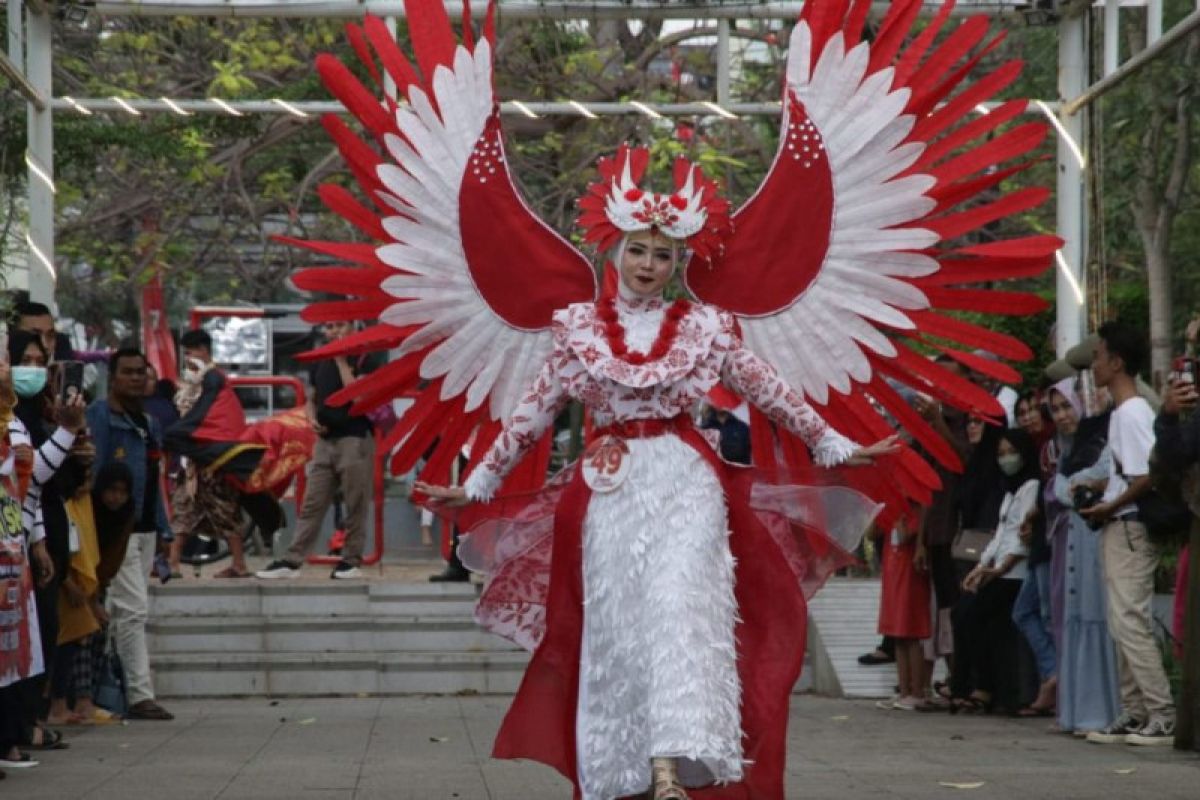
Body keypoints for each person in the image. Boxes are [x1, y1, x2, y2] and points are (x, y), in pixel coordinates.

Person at [419, 225, 898, 798]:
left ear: (678, 263)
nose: (648, 264)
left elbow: (766, 388)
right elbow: (534, 411)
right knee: (619, 626)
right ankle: (626, 771)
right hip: (611, 487)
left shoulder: (704, 329)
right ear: (615, 255)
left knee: (682, 612)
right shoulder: (579, 329)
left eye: (662, 254)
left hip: (686, 478)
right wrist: (477, 484)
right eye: (637, 251)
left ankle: (672, 767)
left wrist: (834, 443)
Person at [1076, 322, 1175, 745]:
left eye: (1099, 356)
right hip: (1121, 523)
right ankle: (1135, 712)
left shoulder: (1132, 411)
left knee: (1130, 621)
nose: (1094, 364)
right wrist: (1104, 491)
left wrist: (1109, 504)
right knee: (1122, 621)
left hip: (1130, 526)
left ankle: (1161, 713)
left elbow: (1144, 476)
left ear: (1117, 362)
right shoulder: (1124, 413)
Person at [86, 348, 174, 721]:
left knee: (126, 611)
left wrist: (164, 529)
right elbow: (93, 475)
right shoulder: (100, 418)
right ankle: (140, 695)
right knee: (133, 610)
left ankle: (107, 692)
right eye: (128, 372)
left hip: (145, 528)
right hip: (114, 529)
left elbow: (153, 480)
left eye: (142, 372)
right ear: (113, 376)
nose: (136, 378)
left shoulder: (149, 423)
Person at [257, 321, 382, 580]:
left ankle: (350, 560)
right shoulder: (319, 361)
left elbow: (359, 397)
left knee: (355, 501)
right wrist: (311, 418)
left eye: (336, 327)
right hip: (325, 441)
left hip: (354, 439)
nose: (332, 331)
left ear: (352, 329)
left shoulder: (364, 359)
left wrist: (340, 360)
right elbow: (312, 397)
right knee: (313, 501)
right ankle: (292, 560)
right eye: (328, 328)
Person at [1044, 376, 1120, 735]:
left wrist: (1076, 488)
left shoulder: (1108, 437)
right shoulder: (1064, 450)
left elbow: (1093, 480)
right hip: (1071, 540)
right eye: (1055, 409)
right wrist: (1075, 488)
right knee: (1072, 616)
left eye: (1066, 406)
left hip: (1097, 536)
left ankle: (1104, 712)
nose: (1061, 415)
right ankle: (1076, 712)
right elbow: (1064, 488)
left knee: (1097, 614)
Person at [949, 427, 1040, 715]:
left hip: (1016, 574)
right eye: (1001, 454)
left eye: (1011, 452)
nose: (1006, 459)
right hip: (999, 570)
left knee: (976, 615)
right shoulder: (1009, 491)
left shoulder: (1032, 487)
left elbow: (1021, 540)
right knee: (963, 613)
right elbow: (1000, 534)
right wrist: (980, 568)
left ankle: (983, 687)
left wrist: (998, 570)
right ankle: (970, 685)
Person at [165, 329, 270, 579]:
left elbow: (206, 417)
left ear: (203, 350)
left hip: (213, 458)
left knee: (223, 509)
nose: (187, 359)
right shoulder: (200, 380)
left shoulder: (213, 379)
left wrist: (179, 433)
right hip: (195, 460)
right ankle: (173, 563)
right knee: (183, 507)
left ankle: (238, 564)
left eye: (190, 353)